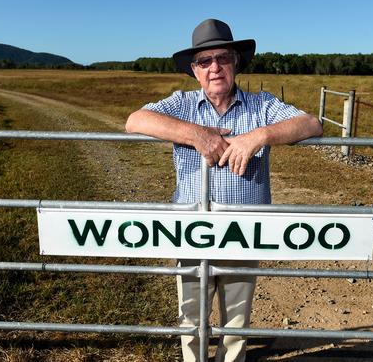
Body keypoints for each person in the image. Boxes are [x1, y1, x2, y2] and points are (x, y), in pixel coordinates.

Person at [126, 18, 323, 362]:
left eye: (223, 58)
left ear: (236, 63)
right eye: (205, 61)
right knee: (192, 313)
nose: (215, 67)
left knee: (237, 317)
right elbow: (135, 121)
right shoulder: (182, 104)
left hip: (244, 231)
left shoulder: (261, 106)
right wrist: (197, 134)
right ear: (195, 70)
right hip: (191, 229)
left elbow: (312, 124)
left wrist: (258, 136)